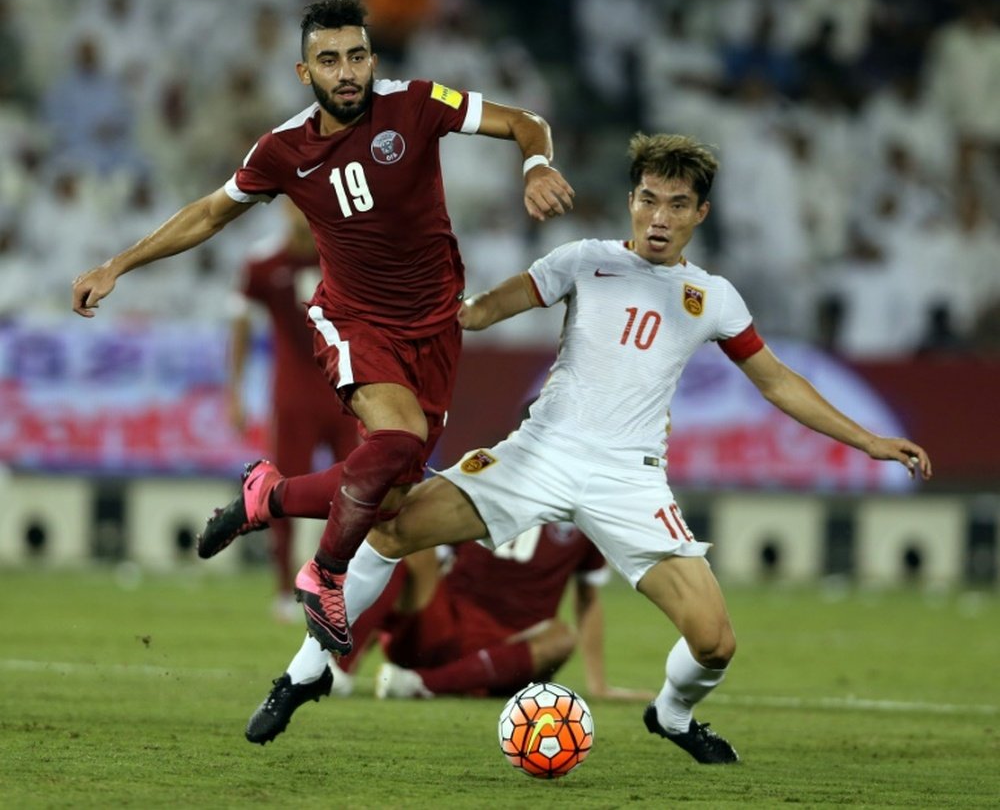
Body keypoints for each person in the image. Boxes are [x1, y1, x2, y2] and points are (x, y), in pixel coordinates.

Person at [217, 132, 932, 764]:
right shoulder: (584, 261)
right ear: (630, 200)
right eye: (649, 198)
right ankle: (303, 672)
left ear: (700, 213)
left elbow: (776, 382)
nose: (659, 217)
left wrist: (867, 440)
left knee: (715, 641)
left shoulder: (711, 297)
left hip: (631, 480)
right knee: (392, 526)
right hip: (541, 453)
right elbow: (483, 310)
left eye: (677, 204)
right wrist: (434, 303)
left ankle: (672, 713)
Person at [71, 0, 575, 655]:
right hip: (353, 321)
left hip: (436, 330)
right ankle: (324, 573)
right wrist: (119, 264)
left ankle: (265, 496)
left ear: (373, 60)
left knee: (392, 498)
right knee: (399, 439)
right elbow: (208, 214)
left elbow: (524, 120)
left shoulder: (416, 103)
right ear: (304, 72)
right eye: (329, 59)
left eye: (357, 56)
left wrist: (536, 163)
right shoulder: (283, 149)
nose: (347, 72)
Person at [245, 523, 653, 743]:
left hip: (504, 646)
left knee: (562, 637)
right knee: (402, 538)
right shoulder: (492, 474)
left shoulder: (586, 513)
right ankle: (341, 669)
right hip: (443, 623)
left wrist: (597, 684)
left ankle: (418, 684)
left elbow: (588, 598)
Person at [228, 197, 359, 619]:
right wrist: (234, 391)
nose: (305, 214)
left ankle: (347, 584)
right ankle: (285, 590)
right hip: (293, 396)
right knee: (281, 491)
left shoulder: (344, 255)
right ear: (285, 209)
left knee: (358, 493)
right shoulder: (263, 262)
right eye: (297, 207)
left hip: (347, 394)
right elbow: (242, 325)